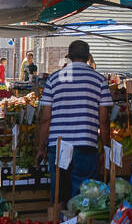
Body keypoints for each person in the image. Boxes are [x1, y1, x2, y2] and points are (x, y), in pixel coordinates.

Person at [35, 39, 111, 203]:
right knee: (84, 196)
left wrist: (41, 147)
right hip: (86, 145)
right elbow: (104, 120)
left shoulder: (54, 79)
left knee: (60, 194)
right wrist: (106, 148)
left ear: (68, 56)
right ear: (89, 56)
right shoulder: (99, 80)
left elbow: (45, 118)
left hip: (58, 145)